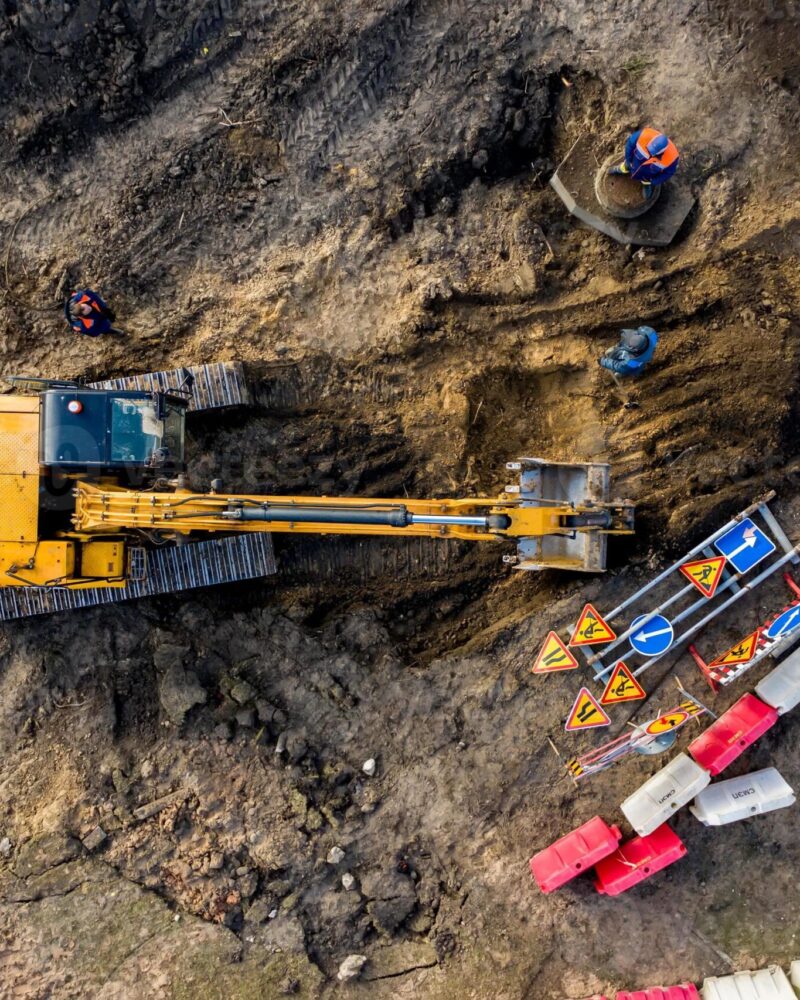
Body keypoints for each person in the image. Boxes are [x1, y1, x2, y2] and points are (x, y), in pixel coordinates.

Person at [608, 128, 680, 198]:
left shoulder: (672, 158)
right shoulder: (643, 135)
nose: (649, 152)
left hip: (647, 176)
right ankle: (622, 168)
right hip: (632, 163)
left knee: (646, 184)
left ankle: (646, 185)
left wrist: (653, 181)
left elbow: (668, 173)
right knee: (626, 166)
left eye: (652, 152)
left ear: (662, 151)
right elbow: (630, 144)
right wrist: (628, 160)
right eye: (650, 148)